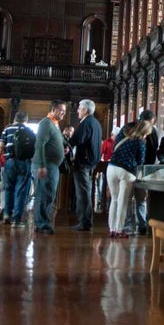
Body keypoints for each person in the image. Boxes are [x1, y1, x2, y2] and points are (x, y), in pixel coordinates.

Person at [107, 120, 153, 238]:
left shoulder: (122, 134)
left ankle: (111, 229)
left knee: (114, 199)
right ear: (144, 132)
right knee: (123, 202)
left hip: (111, 167)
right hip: (127, 171)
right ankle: (119, 230)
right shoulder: (140, 142)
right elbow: (140, 162)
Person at [33, 101, 67, 235]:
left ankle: (42, 223)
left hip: (52, 165)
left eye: (64, 110)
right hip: (46, 164)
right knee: (44, 194)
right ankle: (42, 224)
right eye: (61, 110)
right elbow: (39, 144)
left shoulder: (55, 124)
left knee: (48, 195)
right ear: (53, 109)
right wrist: (41, 165)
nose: (64, 113)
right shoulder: (46, 123)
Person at [70, 99, 102, 231]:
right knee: (86, 191)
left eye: (79, 108)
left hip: (83, 162)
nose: (78, 110)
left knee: (83, 193)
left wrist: (68, 143)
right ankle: (85, 221)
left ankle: (85, 222)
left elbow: (77, 139)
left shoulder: (86, 122)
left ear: (85, 110)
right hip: (91, 163)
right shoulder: (96, 123)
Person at [0, 112, 32, 226]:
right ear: (25, 120)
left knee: (8, 188)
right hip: (24, 163)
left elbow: (1, 146)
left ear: (14, 119)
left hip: (9, 162)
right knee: (20, 191)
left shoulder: (7, 130)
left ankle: (7, 214)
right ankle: (16, 220)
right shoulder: (29, 131)